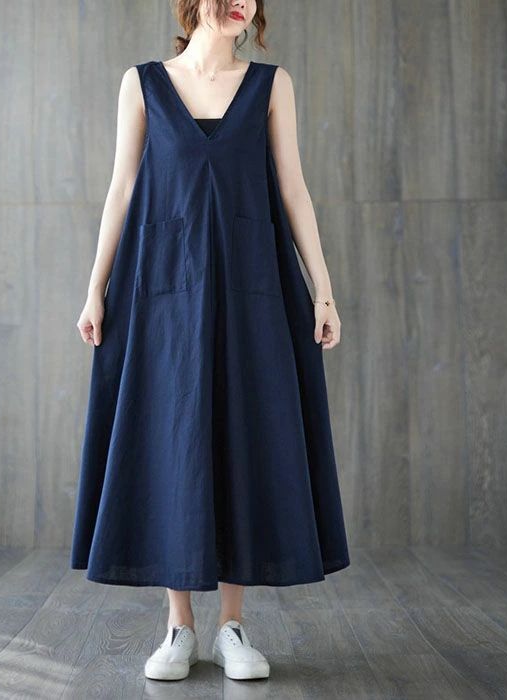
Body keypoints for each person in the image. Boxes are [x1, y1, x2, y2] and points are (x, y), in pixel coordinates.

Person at [70, 0, 350, 682]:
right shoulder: (143, 83)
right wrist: (95, 287)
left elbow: (294, 190)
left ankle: (231, 626)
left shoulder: (270, 85)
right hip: (163, 293)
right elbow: (122, 188)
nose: (239, 3)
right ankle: (178, 627)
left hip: (251, 289)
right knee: (175, 445)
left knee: (241, 440)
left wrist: (323, 288)